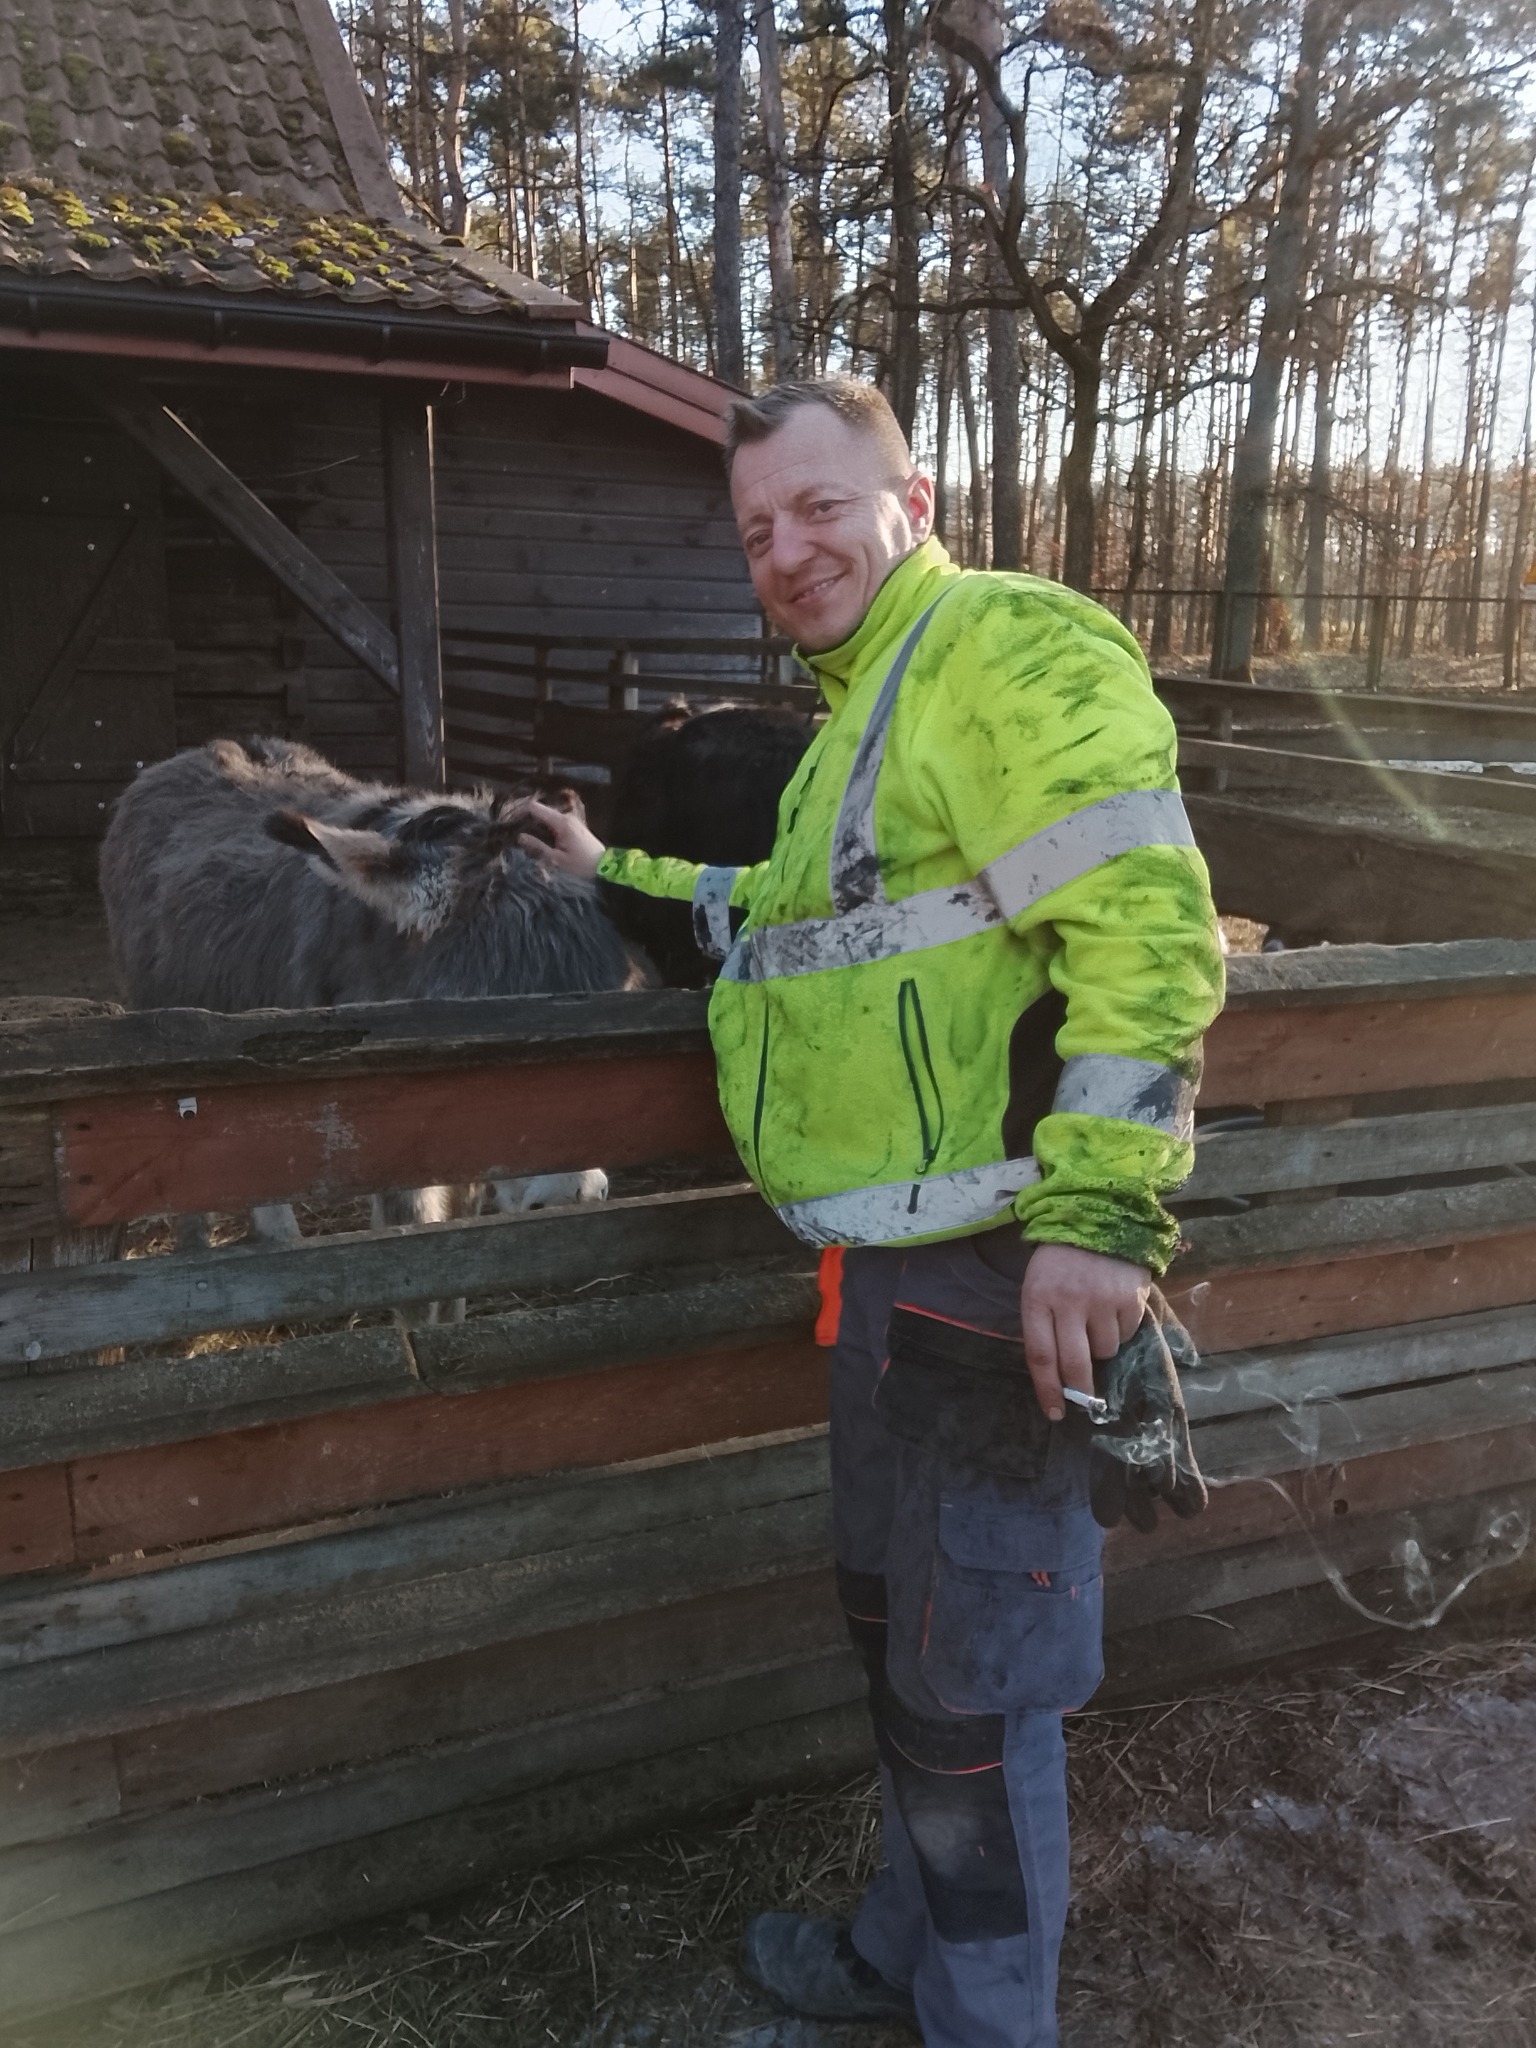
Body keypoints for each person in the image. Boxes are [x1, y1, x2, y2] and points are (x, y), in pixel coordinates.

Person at [521, 379, 1224, 2048]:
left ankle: (988, 2023)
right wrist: (604, 866)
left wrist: (1103, 1219)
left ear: (912, 502)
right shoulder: (860, 716)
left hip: (994, 1276)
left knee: (973, 1695)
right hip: (884, 1279)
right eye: (759, 528)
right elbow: (779, 914)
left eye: (821, 507)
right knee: (902, 1647)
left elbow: (1148, 926)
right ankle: (903, 1950)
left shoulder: (1006, 646)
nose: (787, 549)